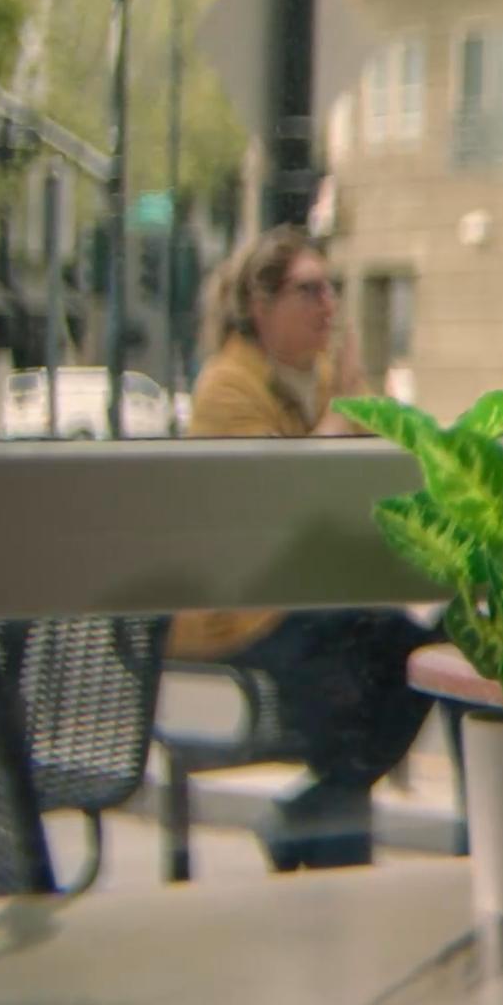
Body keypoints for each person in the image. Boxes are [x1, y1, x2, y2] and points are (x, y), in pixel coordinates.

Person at [178, 226, 435, 872]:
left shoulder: (324, 375)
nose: (328, 305)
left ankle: (317, 811)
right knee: (349, 677)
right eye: (308, 290)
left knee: (423, 649)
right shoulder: (228, 386)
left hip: (308, 595)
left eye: (332, 289)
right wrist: (345, 408)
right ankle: (326, 832)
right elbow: (286, 500)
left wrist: (365, 404)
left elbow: (387, 459)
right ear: (260, 307)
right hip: (238, 609)